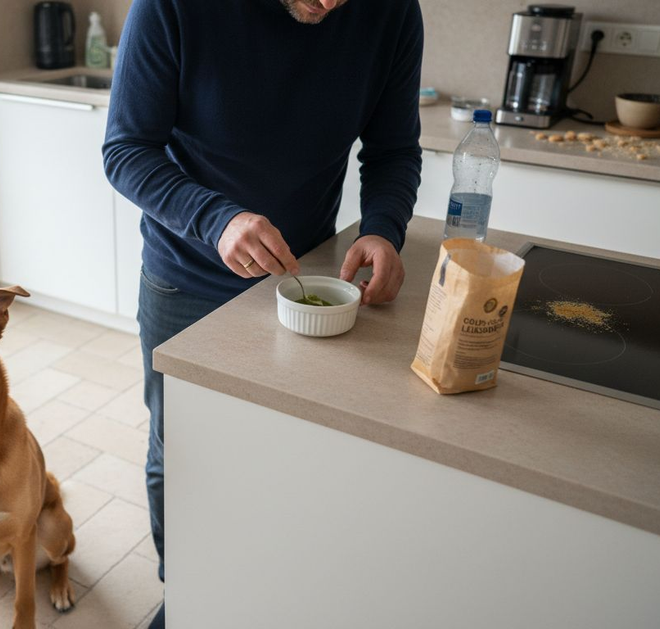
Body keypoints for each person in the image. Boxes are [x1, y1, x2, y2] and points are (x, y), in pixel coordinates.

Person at [103, 0, 423, 625]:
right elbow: (126, 149)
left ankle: (262, 594)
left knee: (285, 451)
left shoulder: (391, 13)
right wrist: (215, 219)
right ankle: (187, 598)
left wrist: (383, 229)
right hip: (186, 279)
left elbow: (393, 150)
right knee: (184, 451)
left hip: (302, 281)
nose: (329, 3)